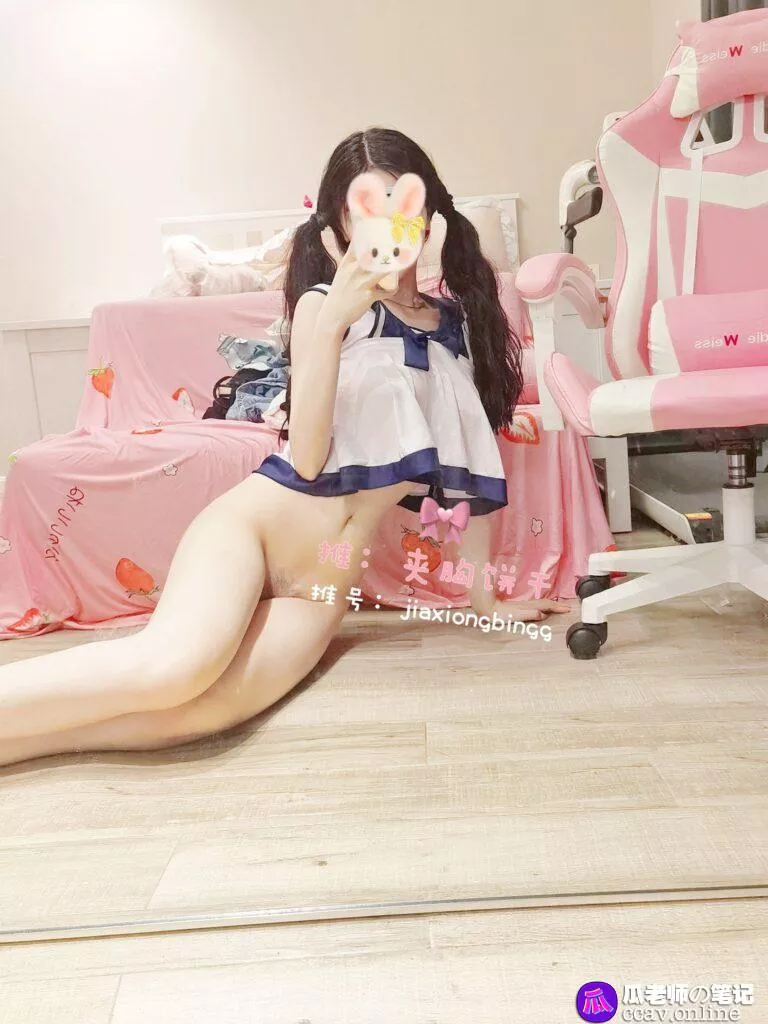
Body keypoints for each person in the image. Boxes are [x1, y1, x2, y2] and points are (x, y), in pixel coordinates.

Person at [0, 128, 568, 767]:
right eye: (364, 209)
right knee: (170, 671)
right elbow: (306, 458)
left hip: (325, 581)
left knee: (202, 713)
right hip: (256, 528)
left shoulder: (456, 325)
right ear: (339, 227)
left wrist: (487, 599)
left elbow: (472, 475)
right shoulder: (324, 308)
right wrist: (331, 323)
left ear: (427, 212)